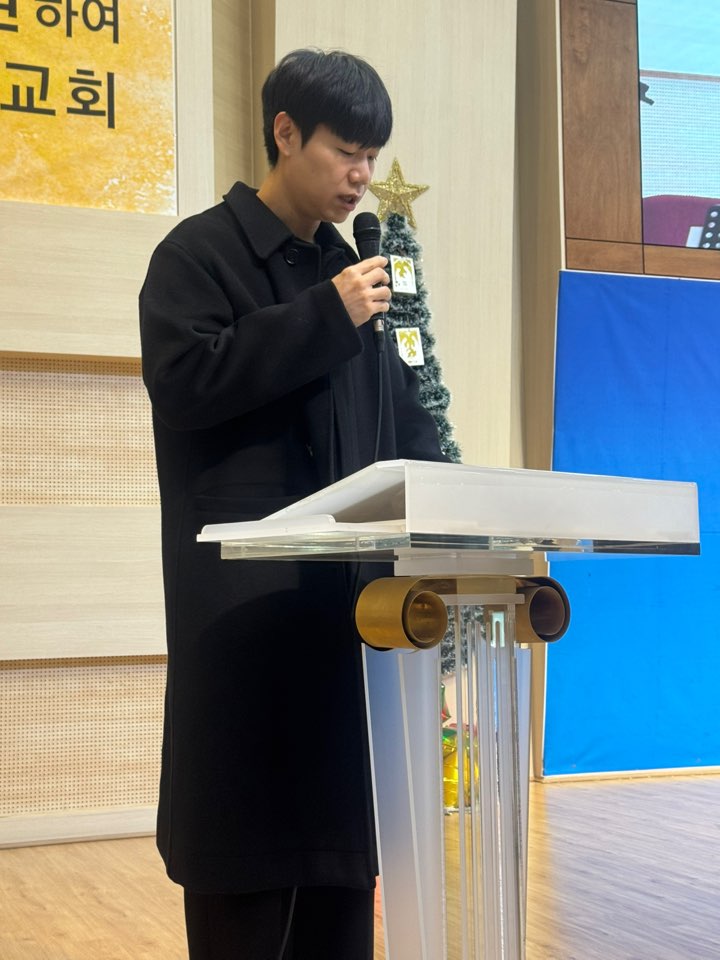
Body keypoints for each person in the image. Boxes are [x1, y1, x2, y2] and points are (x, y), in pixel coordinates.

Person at [139, 48, 447, 959]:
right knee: (244, 875)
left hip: (349, 629)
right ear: (285, 133)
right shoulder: (198, 255)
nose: (361, 175)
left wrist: (458, 507)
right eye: (345, 151)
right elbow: (185, 383)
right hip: (245, 629)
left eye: (371, 155)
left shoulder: (353, 272)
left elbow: (402, 426)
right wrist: (325, 315)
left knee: (339, 901)